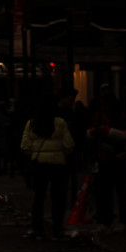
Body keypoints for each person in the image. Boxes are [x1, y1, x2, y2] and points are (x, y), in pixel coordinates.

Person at [21, 95, 75, 239]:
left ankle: (37, 229)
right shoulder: (60, 123)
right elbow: (69, 145)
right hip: (58, 164)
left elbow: (25, 146)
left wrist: (34, 154)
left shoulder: (32, 124)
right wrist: (61, 154)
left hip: (39, 164)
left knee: (39, 197)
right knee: (58, 198)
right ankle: (57, 229)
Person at [88, 84, 126, 231]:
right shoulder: (118, 114)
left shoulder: (102, 115)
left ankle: (107, 218)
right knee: (116, 189)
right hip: (113, 156)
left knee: (108, 190)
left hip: (108, 155)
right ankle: (113, 218)